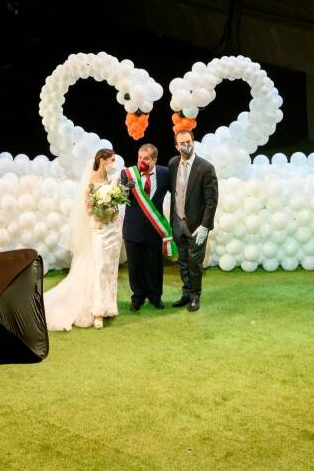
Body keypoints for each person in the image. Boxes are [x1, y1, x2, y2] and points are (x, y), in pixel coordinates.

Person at [44, 149, 125, 330]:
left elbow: (119, 203)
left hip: (114, 230)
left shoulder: (113, 180)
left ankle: (108, 306)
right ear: (102, 161)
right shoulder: (91, 182)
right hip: (99, 230)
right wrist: (102, 211)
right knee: (99, 267)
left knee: (110, 268)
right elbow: (88, 209)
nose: (114, 164)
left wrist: (113, 210)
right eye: (111, 160)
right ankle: (97, 312)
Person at [168, 129, 218, 312]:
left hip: (197, 226)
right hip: (178, 223)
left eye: (188, 141)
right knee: (182, 261)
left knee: (194, 263)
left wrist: (205, 226)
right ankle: (186, 293)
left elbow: (211, 201)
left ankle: (195, 296)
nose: (186, 145)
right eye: (182, 143)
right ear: (176, 146)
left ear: (193, 142)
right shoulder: (173, 164)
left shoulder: (205, 167)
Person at [120, 143, 170, 311]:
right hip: (133, 229)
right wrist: (126, 188)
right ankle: (138, 297)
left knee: (155, 265)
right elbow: (121, 199)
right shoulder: (128, 174)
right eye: (140, 157)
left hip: (155, 229)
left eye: (146, 158)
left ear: (154, 159)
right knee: (135, 266)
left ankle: (156, 296)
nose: (142, 161)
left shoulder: (165, 173)